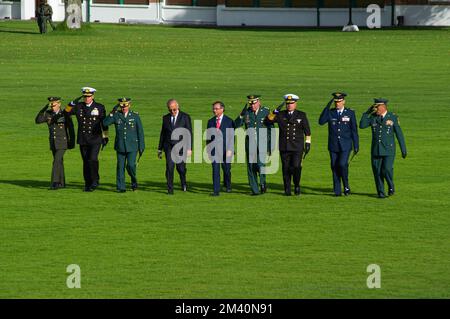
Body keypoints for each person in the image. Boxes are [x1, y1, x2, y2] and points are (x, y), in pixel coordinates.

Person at [360, 98, 407, 198]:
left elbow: (399, 134)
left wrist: (403, 149)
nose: (375, 108)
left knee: (386, 169)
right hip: (376, 149)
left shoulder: (392, 117)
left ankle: (391, 185)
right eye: (374, 106)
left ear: (383, 107)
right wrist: (367, 112)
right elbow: (362, 125)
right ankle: (381, 193)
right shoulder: (373, 117)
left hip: (389, 150)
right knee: (377, 172)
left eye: (377, 107)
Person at [266, 94, 311, 196]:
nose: (289, 105)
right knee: (285, 168)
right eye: (288, 104)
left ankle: (296, 185)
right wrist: (273, 112)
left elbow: (307, 131)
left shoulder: (301, 115)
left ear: (295, 104)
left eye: (291, 103)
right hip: (284, 146)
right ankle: (287, 188)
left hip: (297, 147)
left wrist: (308, 143)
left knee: (296, 167)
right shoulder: (281, 114)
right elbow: (268, 121)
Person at [65, 87, 109, 192]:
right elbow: (65, 113)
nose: (87, 98)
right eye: (85, 96)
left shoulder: (99, 107)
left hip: (95, 138)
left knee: (92, 159)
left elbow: (104, 123)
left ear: (93, 96)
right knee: (85, 161)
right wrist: (71, 104)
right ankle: (87, 183)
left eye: (89, 96)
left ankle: (95, 180)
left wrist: (105, 136)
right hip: (83, 139)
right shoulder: (78, 106)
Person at [318, 92, 359, 196]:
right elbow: (321, 122)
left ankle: (346, 185)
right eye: (335, 102)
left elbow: (354, 130)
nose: (337, 103)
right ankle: (337, 190)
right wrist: (327, 107)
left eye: (339, 101)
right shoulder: (330, 112)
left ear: (343, 101)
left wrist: (356, 145)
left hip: (345, 145)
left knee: (342, 164)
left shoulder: (350, 113)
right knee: (334, 166)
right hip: (333, 145)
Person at [103, 98, 145, 193]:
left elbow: (140, 132)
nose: (124, 108)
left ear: (129, 105)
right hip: (120, 145)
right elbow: (105, 123)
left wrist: (141, 146)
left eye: (125, 106)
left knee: (130, 165)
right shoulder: (116, 115)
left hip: (132, 146)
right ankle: (121, 187)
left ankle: (134, 181)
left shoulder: (135, 116)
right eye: (122, 106)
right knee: (120, 167)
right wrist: (112, 112)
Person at [234, 95, 273, 195]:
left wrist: (270, 146)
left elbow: (271, 129)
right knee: (251, 168)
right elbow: (236, 125)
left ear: (259, 102)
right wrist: (240, 116)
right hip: (250, 144)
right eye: (251, 104)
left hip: (263, 143)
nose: (252, 106)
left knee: (260, 165)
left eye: (254, 103)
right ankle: (255, 190)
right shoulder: (246, 112)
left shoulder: (266, 111)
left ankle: (263, 183)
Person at [35, 96, 75, 190]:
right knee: (59, 162)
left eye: (54, 105)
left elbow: (71, 128)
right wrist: (44, 108)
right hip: (53, 142)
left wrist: (72, 142)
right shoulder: (48, 113)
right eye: (51, 105)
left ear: (59, 104)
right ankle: (62, 183)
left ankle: (55, 183)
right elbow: (38, 120)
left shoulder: (64, 114)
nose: (52, 107)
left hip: (63, 142)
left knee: (56, 161)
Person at [158, 99, 192, 195]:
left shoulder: (185, 117)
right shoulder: (165, 118)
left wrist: (189, 148)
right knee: (169, 167)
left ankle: (183, 182)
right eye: (170, 110)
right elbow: (163, 134)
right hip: (169, 147)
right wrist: (159, 149)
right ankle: (170, 189)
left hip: (181, 147)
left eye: (174, 110)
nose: (172, 112)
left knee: (181, 169)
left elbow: (189, 133)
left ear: (178, 107)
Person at [206, 101, 235, 196]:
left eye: (216, 108)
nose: (214, 110)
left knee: (226, 169)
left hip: (226, 150)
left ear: (222, 109)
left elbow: (231, 137)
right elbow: (208, 137)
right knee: (215, 169)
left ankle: (228, 185)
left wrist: (230, 149)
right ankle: (216, 190)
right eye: (213, 109)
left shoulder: (229, 121)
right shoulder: (210, 121)